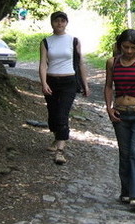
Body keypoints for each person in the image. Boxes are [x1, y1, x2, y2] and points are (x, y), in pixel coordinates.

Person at [104, 29, 135, 208]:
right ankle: (125, 192)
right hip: (120, 113)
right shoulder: (112, 62)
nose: (129, 51)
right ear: (120, 46)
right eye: (125, 47)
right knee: (124, 153)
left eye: (133, 48)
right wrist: (109, 108)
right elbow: (109, 86)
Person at [38, 11, 90, 165]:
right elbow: (42, 64)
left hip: (69, 82)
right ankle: (57, 137)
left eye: (62, 21)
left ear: (66, 23)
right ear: (51, 23)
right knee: (53, 116)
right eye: (56, 21)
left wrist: (85, 85)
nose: (59, 24)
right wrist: (44, 83)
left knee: (62, 114)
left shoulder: (73, 40)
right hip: (52, 80)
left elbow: (80, 63)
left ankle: (60, 150)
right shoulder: (46, 41)